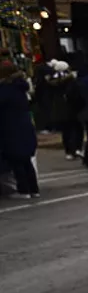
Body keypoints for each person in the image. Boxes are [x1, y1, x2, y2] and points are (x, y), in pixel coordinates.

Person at [0, 61, 39, 198]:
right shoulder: (20, 87)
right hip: (24, 125)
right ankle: (34, 189)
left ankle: (23, 190)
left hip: (11, 127)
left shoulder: (5, 89)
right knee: (26, 160)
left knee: (16, 160)